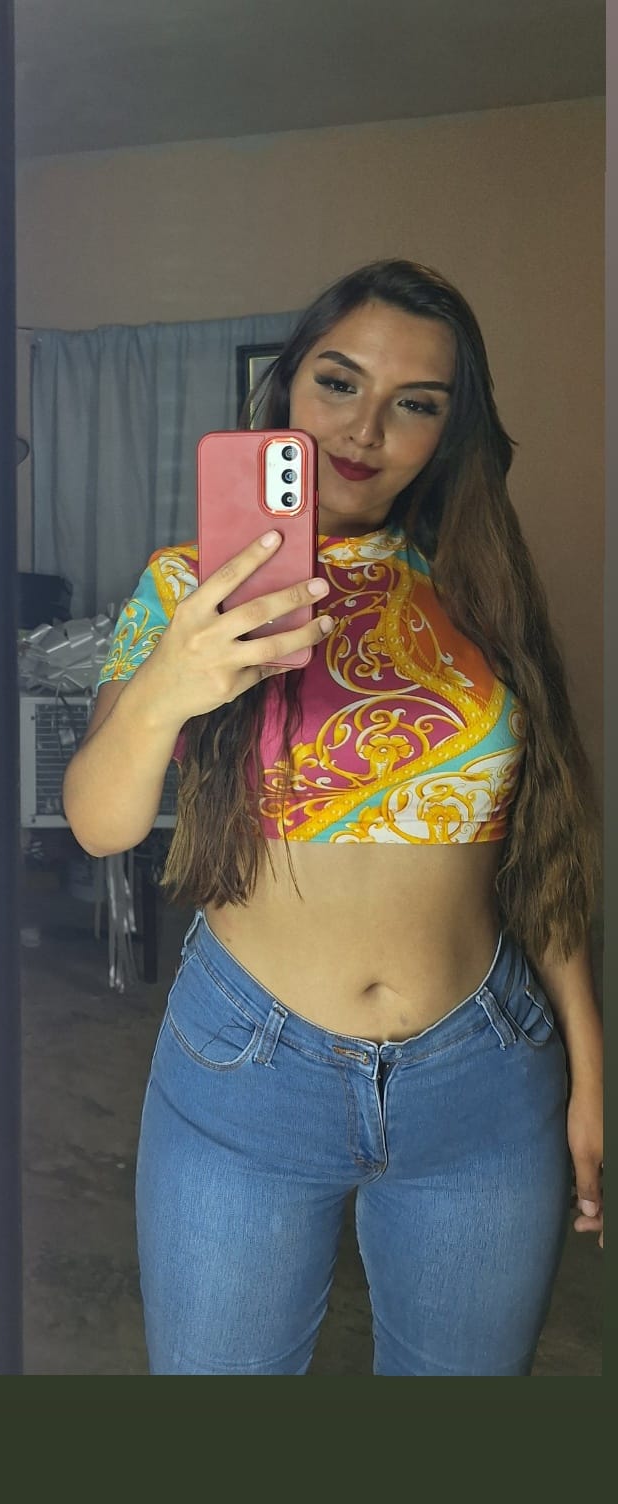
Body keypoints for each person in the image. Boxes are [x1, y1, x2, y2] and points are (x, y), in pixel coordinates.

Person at [63, 258, 602, 1377]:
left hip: (485, 1071)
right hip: (249, 1069)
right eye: (339, 382)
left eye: (416, 403)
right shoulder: (187, 587)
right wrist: (169, 685)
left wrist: (590, 1068)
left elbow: (538, 853)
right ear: (286, 387)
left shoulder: (479, 589)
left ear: (450, 433)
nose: (364, 429)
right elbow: (99, 823)